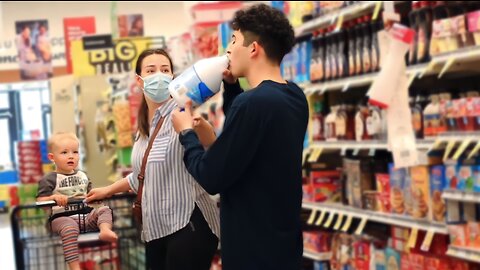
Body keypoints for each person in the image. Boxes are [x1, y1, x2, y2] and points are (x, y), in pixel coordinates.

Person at [171, 3, 309, 269]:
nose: (229, 49)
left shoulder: (253, 103)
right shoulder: (294, 95)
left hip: (251, 249)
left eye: (234, 41)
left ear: (254, 49)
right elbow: (252, 139)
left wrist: (186, 132)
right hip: (283, 243)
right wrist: (232, 89)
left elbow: (211, 176)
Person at [85, 48, 220, 270]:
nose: (159, 75)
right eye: (151, 70)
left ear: (173, 77)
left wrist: (200, 124)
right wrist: (108, 190)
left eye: (165, 70)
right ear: (139, 80)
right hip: (156, 226)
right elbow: (145, 174)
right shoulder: (144, 128)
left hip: (187, 222)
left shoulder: (181, 113)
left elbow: (209, 141)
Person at [36, 132, 118, 270]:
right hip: (61, 218)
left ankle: (105, 230)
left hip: (85, 217)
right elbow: (40, 202)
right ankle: (75, 267)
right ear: (52, 157)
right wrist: (53, 198)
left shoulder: (83, 175)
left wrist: (98, 198)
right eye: (64, 152)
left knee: (105, 210)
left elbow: (91, 196)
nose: (71, 156)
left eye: (75, 152)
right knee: (69, 228)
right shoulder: (49, 179)